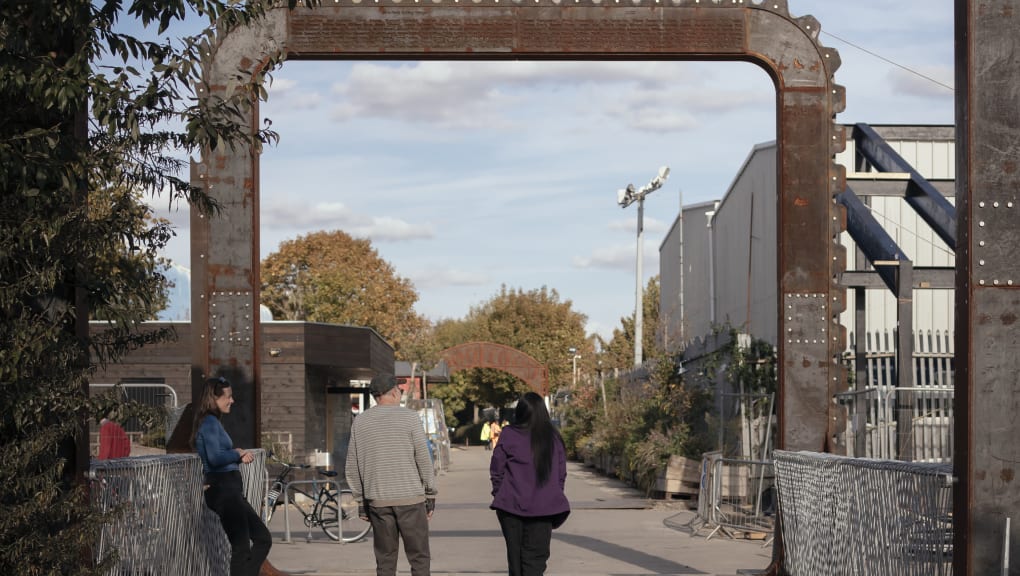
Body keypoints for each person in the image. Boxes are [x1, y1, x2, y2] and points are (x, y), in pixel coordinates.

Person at [346, 374, 437, 576]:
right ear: (395, 392)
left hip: (378, 501)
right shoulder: (410, 417)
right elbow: (423, 458)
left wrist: (361, 501)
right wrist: (430, 493)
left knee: (385, 560)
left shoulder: (360, 422)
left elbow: (352, 465)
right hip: (411, 500)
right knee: (419, 557)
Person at [191, 377, 271, 576]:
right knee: (242, 547)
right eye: (228, 396)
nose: (232, 401)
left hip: (231, 490)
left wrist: (236, 453)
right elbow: (215, 457)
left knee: (262, 538)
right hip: (223, 489)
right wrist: (237, 453)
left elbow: (219, 455)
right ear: (214, 398)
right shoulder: (209, 423)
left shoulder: (214, 422)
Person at [489, 392, 570, 576]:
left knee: (515, 563)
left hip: (511, 507)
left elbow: (496, 469)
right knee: (535, 561)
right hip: (544, 509)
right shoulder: (554, 438)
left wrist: (499, 493)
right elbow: (561, 474)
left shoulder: (509, 434)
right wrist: (553, 495)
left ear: (520, 412)